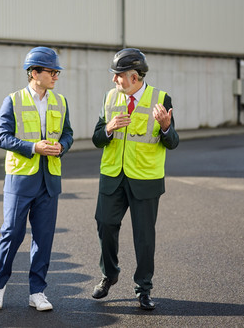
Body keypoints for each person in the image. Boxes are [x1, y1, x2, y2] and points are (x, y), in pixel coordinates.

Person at [90, 48, 179, 310]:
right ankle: (109, 274)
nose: (114, 81)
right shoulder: (110, 98)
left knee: (144, 237)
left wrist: (165, 127)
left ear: (133, 77)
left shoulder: (161, 99)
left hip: (145, 179)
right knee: (104, 225)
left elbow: (173, 142)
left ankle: (144, 289)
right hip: (112, 176)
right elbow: (96, 138)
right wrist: (108, 127)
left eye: (118, 76)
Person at [0, 46, 74, 312]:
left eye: (57, 72)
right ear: (34, 72)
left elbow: (69, 134)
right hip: (20, 180)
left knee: (44, 238)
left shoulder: (60, 101)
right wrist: (33, 147)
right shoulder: (12, 100)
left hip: (50, 181)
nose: (56, 76)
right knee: (12, 234)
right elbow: (2, 137)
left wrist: (63, 147)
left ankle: (37, 292)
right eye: (52, 71)